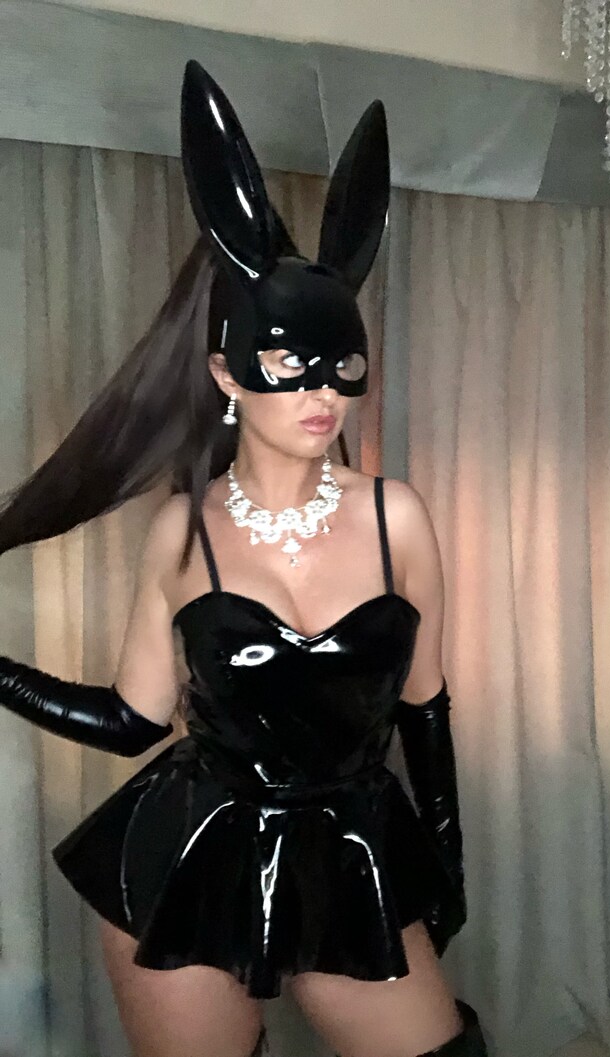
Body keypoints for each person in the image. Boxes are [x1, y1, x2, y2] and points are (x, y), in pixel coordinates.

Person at [0, 60, 488, 1057]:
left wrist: (443, 854)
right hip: (191, 852)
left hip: (349, 852)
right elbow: (133, 720)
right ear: (226, 372)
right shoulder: (181, 530)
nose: (322, 394)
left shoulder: (397, 518)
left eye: (341, 369)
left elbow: (424, 704)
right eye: (289, 367)